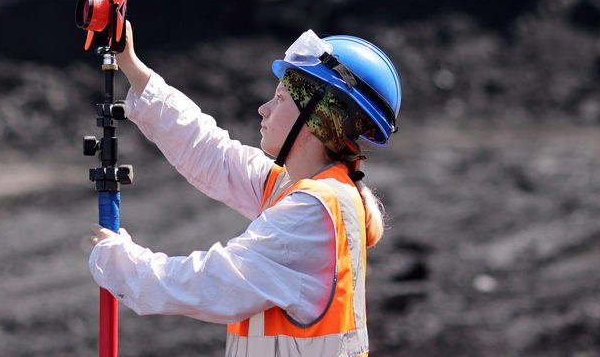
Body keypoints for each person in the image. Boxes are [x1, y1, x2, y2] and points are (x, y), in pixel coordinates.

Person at [88, 23, 402, 356]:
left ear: (317, 119)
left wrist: (123, 264)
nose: (263, 108)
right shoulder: (301, 189)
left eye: (280, 98)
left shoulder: (313, 212)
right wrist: (132, 66)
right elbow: (211, 152)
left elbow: (214, 283)